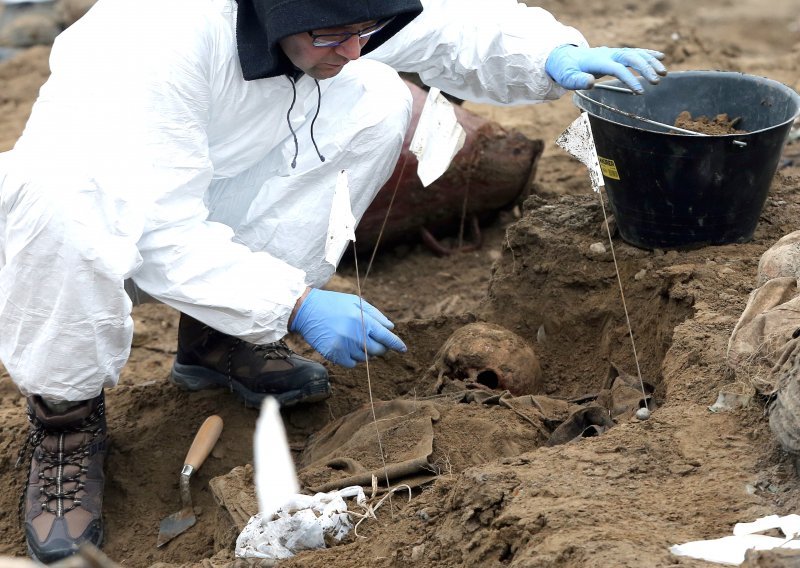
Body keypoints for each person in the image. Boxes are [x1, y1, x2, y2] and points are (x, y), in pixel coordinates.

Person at [0, 0, 667, 561]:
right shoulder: (146, 46)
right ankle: (65, 424)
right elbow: (158, 233)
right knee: (58, 203)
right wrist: (288, 301)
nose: (351, 49)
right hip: (93, 223)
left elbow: (442, 20)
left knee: (378, 100)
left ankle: (218, 342)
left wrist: (546, 53)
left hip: (218, 164)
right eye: (329, 35)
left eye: (362, 31)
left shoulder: (334, 20)